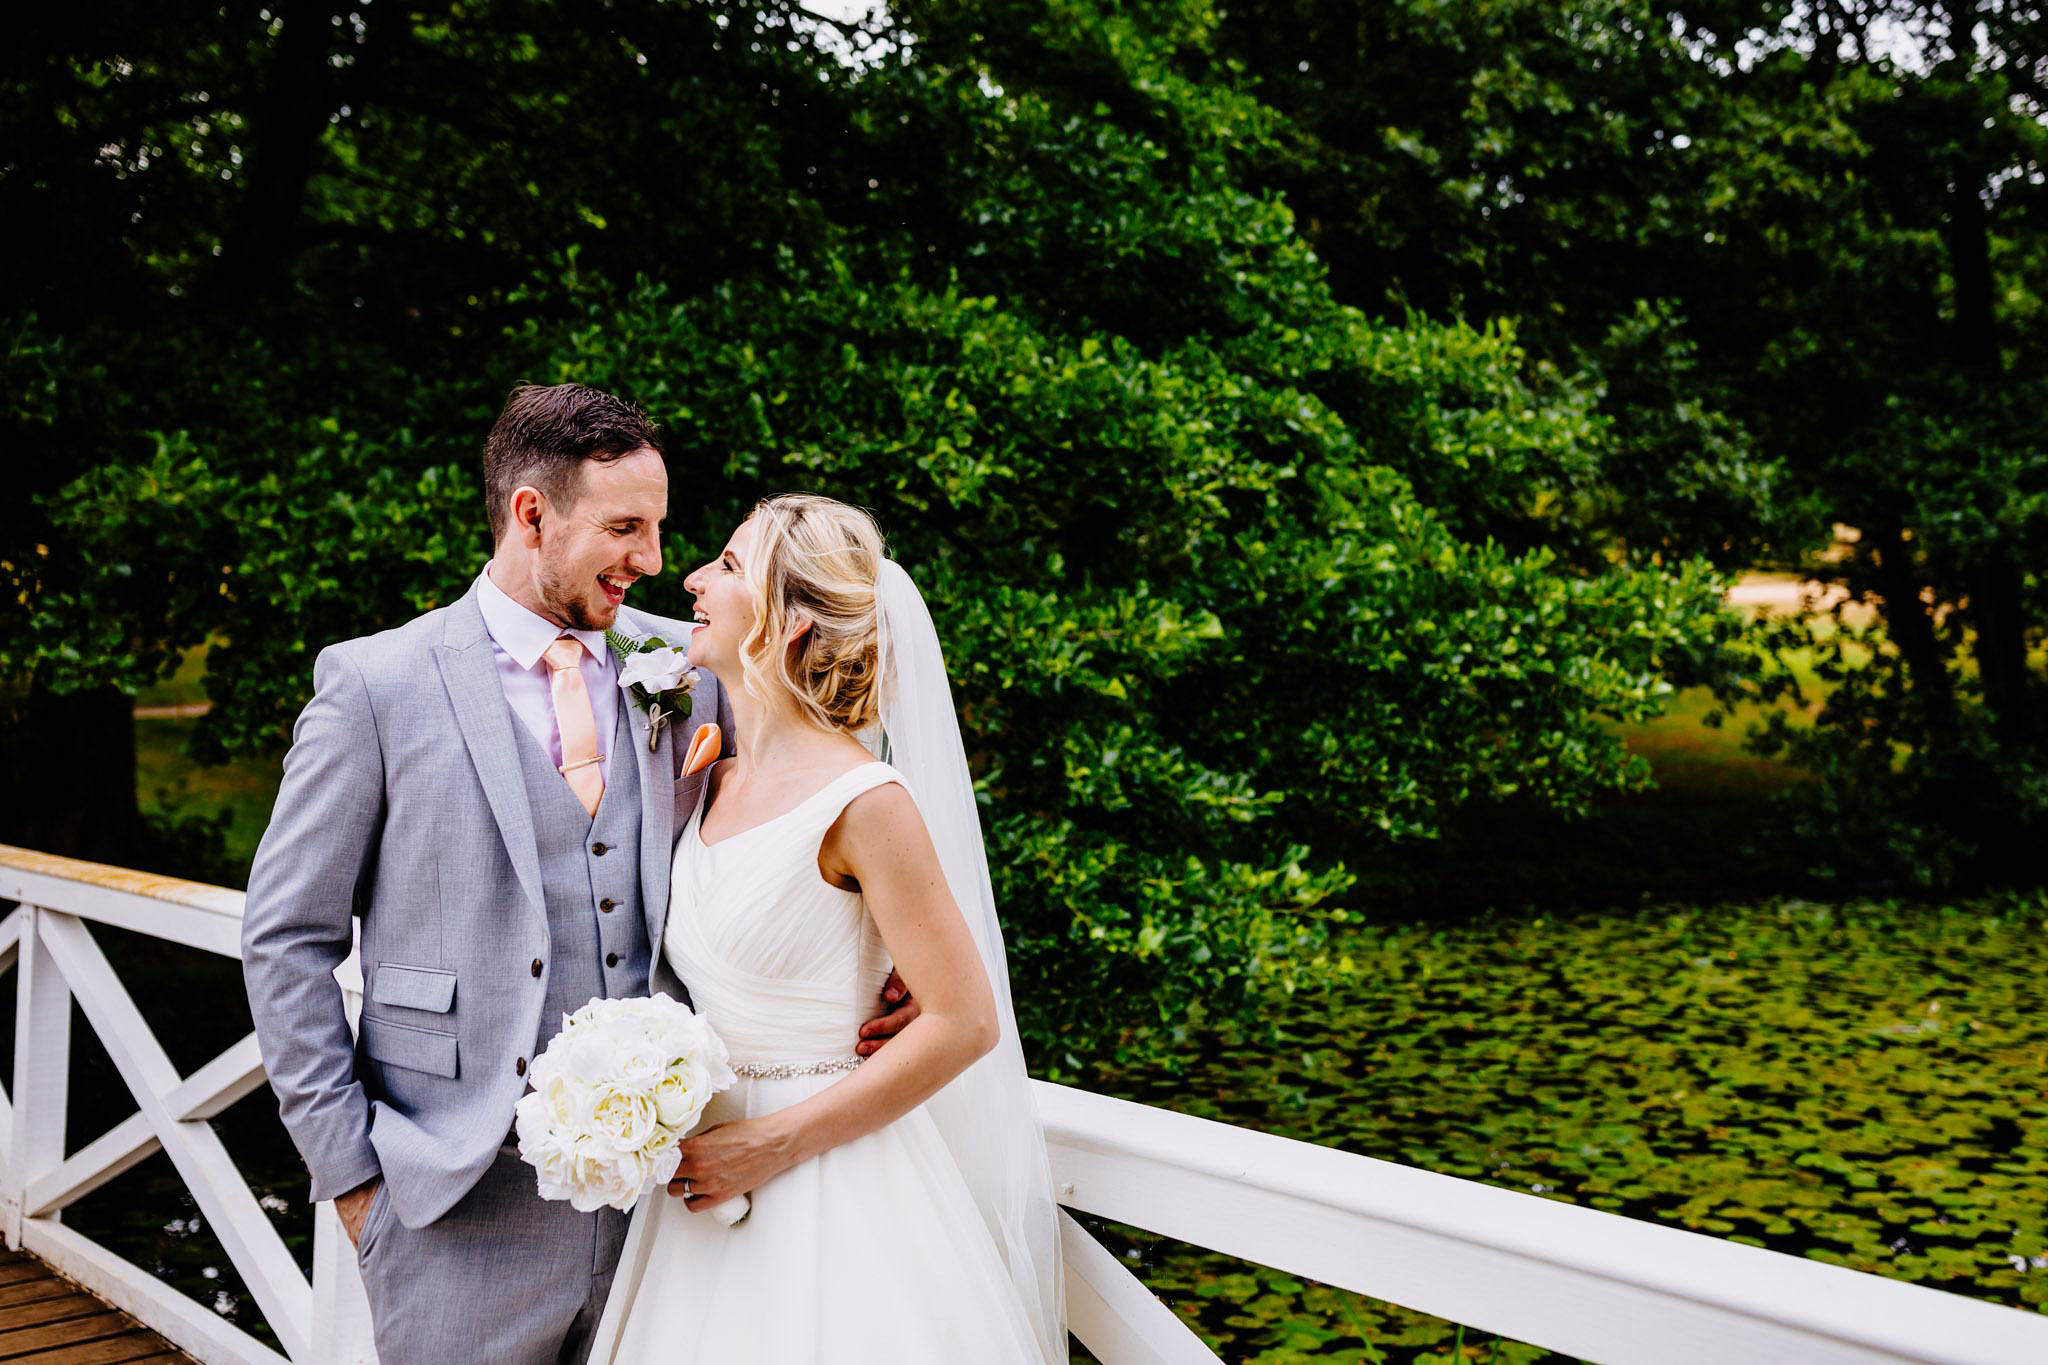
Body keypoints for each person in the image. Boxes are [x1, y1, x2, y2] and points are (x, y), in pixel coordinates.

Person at [240, 387, 918, 1363]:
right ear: (531, 515)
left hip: (674, 1208)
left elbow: (836, 784)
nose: (650, 559)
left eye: (659, 527)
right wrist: (352, 1181)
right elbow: (284, 940)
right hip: (455, 1204)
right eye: (623, 528)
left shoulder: (694, 663)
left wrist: (881, 952)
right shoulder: (375, 687)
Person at [590, 494, 1066, 1363]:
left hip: (832, 1184)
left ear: (794, 622)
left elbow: (967, 1022)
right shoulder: (710, 774)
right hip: (702, 1197)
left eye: (728, 566)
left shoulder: (867, 802)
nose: (692, 579)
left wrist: (768, 1146)